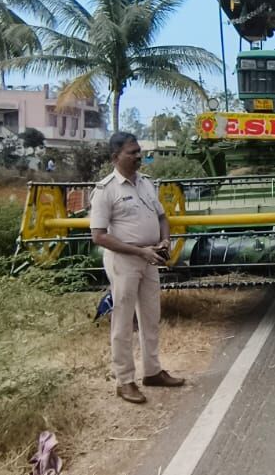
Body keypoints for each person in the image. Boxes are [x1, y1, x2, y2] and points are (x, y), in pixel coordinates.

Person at [89, 132, 184, 404]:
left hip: (150, 257)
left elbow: (162, 216)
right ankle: (124, 380)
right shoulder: (106, 190)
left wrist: (165, 241)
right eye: (132, 152)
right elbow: (98, 235)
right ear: (115, 157)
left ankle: (152, 371)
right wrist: (139, 250)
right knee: (123, 321)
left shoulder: (146, 184)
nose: (138, 156)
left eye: (139, 151)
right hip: (124, 261)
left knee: (151, 317)